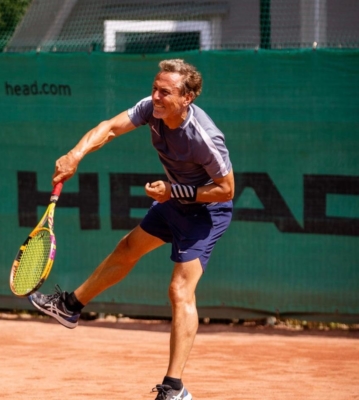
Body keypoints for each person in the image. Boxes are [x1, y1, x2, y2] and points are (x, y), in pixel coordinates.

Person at [30, 59, 235, 400]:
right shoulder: (151, 109)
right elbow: (110, 128)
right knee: (128, 248)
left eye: (165, 92)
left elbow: (226, 190)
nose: (156, 96)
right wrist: (75, 155)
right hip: (174, 201)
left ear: (187, 98)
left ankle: (175, 388)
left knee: (179, 291)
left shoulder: (204, 137)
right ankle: (70, 306)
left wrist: (175, 191)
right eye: (154, 88)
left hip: (206, 213)